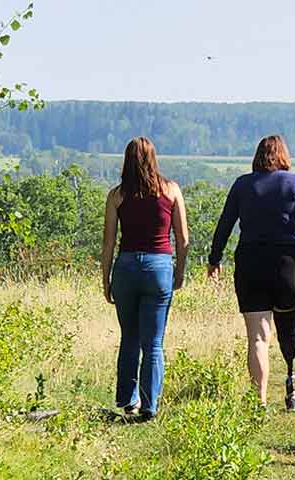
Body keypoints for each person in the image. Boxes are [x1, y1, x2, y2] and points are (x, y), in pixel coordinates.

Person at [207, 135, 295, 413]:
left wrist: (214, 259)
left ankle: (258, 402)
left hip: (250, 263)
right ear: (284, 155)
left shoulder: (242, 185)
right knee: (288, 329)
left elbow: (225, 225)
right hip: (286, 264)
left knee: (258, 337)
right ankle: (291, 385)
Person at [100, 137, 189, 421]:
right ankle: (150, 406)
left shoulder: (117, 195)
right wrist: (179, 272)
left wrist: (106, 279)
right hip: (158, 267)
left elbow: (108, 243)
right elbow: (183, 240)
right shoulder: (171, 190)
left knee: (130, 337)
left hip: (125, 267)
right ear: (154, 159)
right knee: (153, 343)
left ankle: (129, 400)